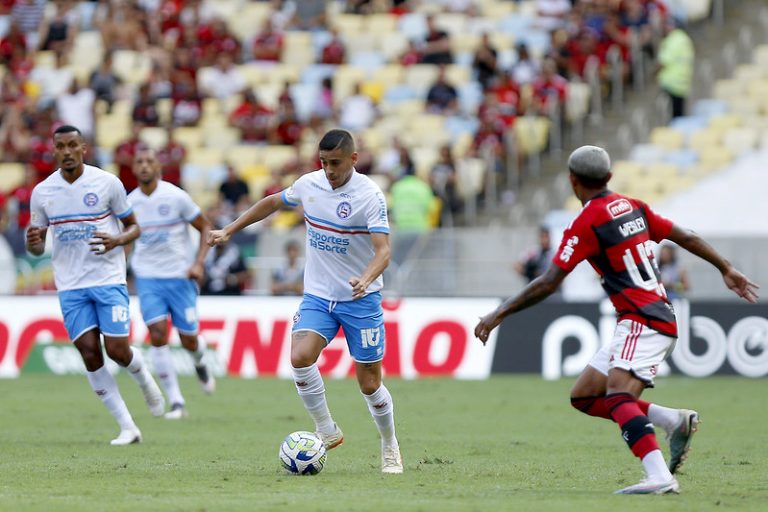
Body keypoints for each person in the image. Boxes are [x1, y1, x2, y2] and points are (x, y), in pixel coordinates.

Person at [475, 145, 759, 494]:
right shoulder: (634, 207)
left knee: (616, 396)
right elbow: (686, 236)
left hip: (643, 320)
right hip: (651, 318)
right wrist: (726, 268)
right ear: (609, 177)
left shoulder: (586, 222)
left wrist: (497, 314)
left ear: (572, 181)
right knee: (584, 396)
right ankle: (672, 420)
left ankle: (659, 476)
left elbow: (549, 281)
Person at [208, 129, 403, 474]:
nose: (328, 170)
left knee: (370, 384)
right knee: (299, 357)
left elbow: (383, 251)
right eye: (324, 162)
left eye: (336, 163)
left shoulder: (370, 196)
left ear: (354, 160)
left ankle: (389, 445)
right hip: (318, 295)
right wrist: (229, 230)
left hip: (361, 298)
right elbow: (271, 203)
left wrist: (367, 278)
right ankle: (327, 429)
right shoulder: (309, 184)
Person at [26, 125, 165, 446]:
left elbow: (134, 227)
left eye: (72, 145)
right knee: (89, 352)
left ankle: (144, 379)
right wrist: (33, 242)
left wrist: (117, 239)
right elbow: (36, 245)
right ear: (54, 151)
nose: (66, 151)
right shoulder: (43, 192)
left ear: (83, 148)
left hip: (107, 280)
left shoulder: (106, 184)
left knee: (117, 350)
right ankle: (128, 427)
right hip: (71, 285)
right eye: (60, 146)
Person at [128, 147, 216, 420]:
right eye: (139, 162)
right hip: (148, 277)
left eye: (149, 162)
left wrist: (199, 263)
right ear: (133, 169)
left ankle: (200, 360)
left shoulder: (176, 197)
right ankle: (176, 401)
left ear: (158, 168)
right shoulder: (128, 203)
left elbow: (205, 226)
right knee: (156, 334)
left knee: (188, 339)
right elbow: (124, 238)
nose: (144, 166)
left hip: (180, 276)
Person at [657, 18, 694, 119]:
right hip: (683, 84)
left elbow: (663, 61)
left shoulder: (673, 40)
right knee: (679, 115)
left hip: (671, 83)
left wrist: (653, 73)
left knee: (672, 118)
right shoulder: (685, 39)